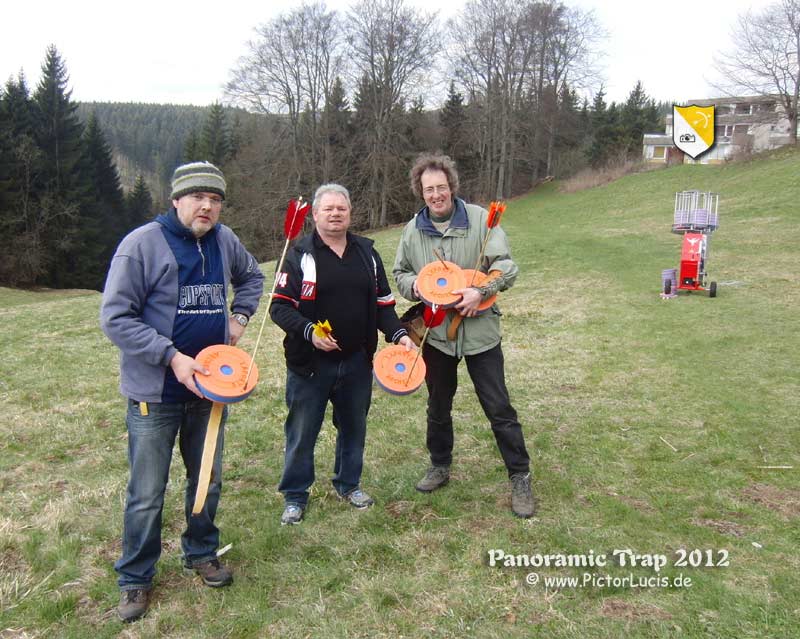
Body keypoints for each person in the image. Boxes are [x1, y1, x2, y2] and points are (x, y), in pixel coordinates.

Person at [100, 161, 265, 622]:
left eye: (215, 199)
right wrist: (171, 356)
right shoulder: (141, 245)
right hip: (156, 393)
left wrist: (240, 318)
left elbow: (252, 277)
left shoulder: (224, 240)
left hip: (212, 388)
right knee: (148, 490)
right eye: (198, 197)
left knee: (207, 478)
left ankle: (201, 551)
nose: (207, 206)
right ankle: (135, 578)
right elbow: (115, 317)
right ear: (176, 199)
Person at [393, 153, 535, 518]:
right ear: (420, 192)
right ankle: (440, 464)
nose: (436, 195)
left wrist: (482, 290)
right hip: (437, 335)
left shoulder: (481, 221)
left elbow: (506, 266)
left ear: (452, 187)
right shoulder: (413, 230)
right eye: (429, 189)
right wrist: (421, 289)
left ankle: (520, 475)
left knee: (498, 407)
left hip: (481, 334)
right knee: (438, 405)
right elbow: (401, 273)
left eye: (441, 187)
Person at [270, 183, 415, 525]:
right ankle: (295, 496)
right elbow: (280, 308)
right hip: (310, 365)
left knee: (354, 427)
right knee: (302, 431)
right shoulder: (299, 254)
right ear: (315, 215)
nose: (336, 214)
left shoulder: (367, 253)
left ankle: (348, 484)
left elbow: (383, 304)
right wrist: (309, 333)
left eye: (342, 209)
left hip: (356, 362)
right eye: (328, 209)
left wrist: (398, 334)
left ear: (350, 213)